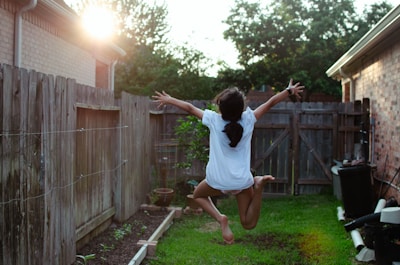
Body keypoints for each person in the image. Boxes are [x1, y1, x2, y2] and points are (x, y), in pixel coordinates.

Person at [152, 79, 304, 244]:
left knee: (197, 195)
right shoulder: (248, 119)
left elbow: (189, 108)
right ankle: (258, 186)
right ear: (241, 108)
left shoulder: (213, 119)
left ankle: (221, 219)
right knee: (248, 223)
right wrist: (288, 91)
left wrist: (169, 99)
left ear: (220, 107)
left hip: (217, 180)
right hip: (241, 181)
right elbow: (270, 103)